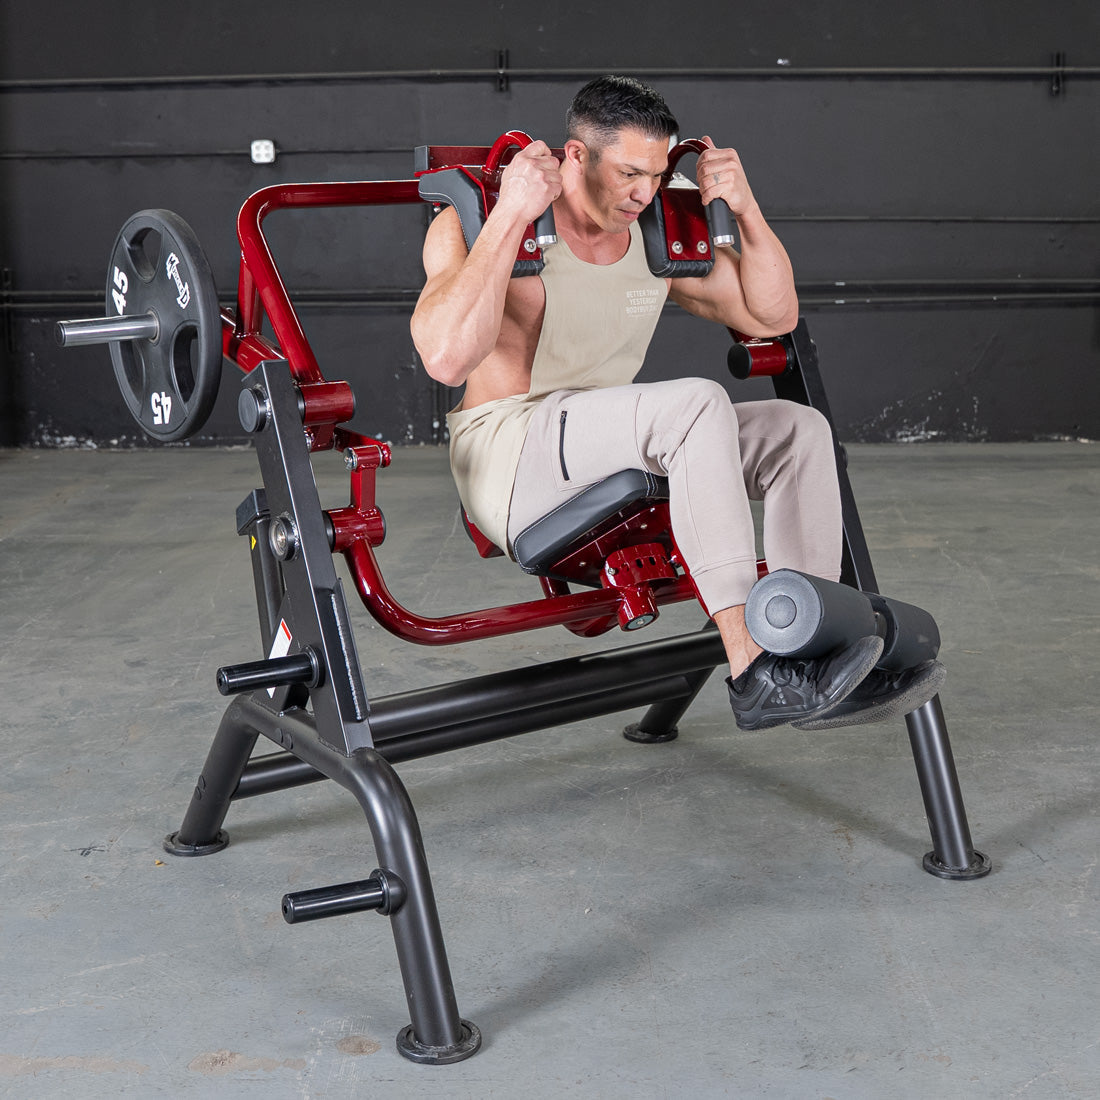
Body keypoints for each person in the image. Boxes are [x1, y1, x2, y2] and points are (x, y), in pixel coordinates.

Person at [411, 75, 943, 731]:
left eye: (657, 174)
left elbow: (771, 316)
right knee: (695, 405)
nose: (644, 191)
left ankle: (802, 642)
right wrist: (510, 214)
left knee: (796, 429)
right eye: (630, 172)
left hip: (602, 445)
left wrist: (745, 211)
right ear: (576, 157)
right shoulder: (477, 219)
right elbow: (445, 357)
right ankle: (752, 667)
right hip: (511, 458)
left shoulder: (653, 225)